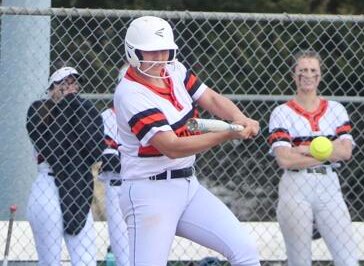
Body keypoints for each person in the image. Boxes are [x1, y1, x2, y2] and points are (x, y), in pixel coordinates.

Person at [113, 16, 261, 266]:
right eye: (150, 51)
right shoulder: (131, 94)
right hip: (149, 193)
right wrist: (227, 133)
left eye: (164, 50)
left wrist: (239, 117)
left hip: (187, 186)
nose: (159, 58)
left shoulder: (174, 70)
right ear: (133, 51)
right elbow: (172, 147)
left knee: (245, 251)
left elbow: (211, 99)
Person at [268, 50, 358, 266]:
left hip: (329, 185)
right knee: (299, 260)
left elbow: (345, 152)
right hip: (295, 186)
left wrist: (301, 149)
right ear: (293, 75)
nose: (308, 75)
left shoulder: (336, 110)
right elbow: (285, 159)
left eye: (313, 70)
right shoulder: (281, 112)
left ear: (320, 75)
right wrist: (328, 151)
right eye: (302, 70)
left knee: (347, 259)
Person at [26, 66, 105, 265]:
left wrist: (73, 107)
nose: (69, 88)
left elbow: (94, 150)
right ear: (51, 88)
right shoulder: (40, 109)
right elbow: (55, 150)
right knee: (50, 258)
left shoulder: (83, 110)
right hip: (48, 183)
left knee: (86, 258)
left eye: (72, 83)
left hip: (77, 186)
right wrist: (66, 108)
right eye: (63, 84)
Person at [98, 66, 129, 266]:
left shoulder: (151, 113)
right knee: (120, 245)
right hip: (117, 185)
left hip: (145, 185)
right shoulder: (108, 116)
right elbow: (110, 161)